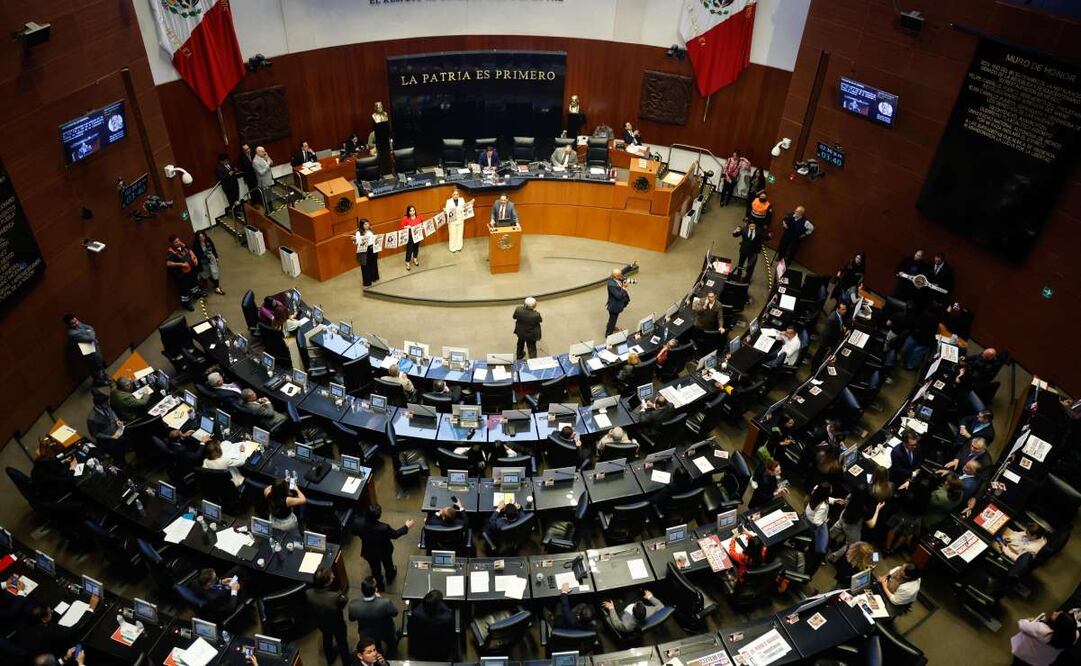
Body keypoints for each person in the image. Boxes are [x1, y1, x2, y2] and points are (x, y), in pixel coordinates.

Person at [354, 504, 415, 591]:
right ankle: (390, 578)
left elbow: (355, 533)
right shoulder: (384, 527)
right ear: (378, 516)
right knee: (388, 565)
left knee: (375, 570)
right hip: (384, 550)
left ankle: (379, 586)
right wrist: (406, 526)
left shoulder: (357, 522)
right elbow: (395, 534)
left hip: (369, 551)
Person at [306, 566, 351, 665]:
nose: (334, 576)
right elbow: (343, 601)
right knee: (342, 642)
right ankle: (346, 661)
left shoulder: (308, 593)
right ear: (326, 583)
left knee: (327, 638)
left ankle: (330, 657)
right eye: (331, 576)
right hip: (337, 623)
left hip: (321, 623)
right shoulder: (334, 597)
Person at [348, 577, 399, 657]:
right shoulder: (385, 602)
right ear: (375, 589)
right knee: (392, 644)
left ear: (362, 590)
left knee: (376, 649)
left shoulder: (353, 605)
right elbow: (395, 613)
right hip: (385, 630)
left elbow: (351, 619)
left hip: (367, 634)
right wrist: (380, 599)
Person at [1010, 610, 1078, 666]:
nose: (1054, 612)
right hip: (1039, 663)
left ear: (1058, 624)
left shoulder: (1042, 630)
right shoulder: (1070, 639)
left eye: (1056, 615)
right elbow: (1075, 633)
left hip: (1023, 656)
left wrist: (1027, 620)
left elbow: (1022, 625)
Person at [64, 313, 109, 386]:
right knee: (94, 366)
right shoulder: (72, 333)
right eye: (73, 323)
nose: (77, 323)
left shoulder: (79, 324)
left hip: (94, 346)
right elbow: (90, 338)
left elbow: (90, 327)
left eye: (76, 321)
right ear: (69, 325)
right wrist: (90, 332)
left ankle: (103, 376)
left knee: (99, 362)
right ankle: (99, 381)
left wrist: (90, 332)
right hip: (88, 352)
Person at [407, 590, 454, 660]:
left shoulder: (416, 613)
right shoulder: (446, 618)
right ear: (437, 606)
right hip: (440, 651)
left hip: (420, 649)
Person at [165, 234, 199, 311]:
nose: (178, 243)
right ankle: (186, 303)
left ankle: (196, 293)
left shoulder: (183, 246)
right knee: (185, 289)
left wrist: (194, 258)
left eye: (178, 241)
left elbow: (190, 251)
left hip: (190, 270)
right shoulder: (171, 252)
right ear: (172, 244)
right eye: (176, 242)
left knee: (194, 282)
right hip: (182, 274)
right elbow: (168, 263)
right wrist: (182, 264)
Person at [812, 302, 848, 369]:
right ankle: (813, 368)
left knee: (821, 355)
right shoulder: (832, 319)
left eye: (845, 309)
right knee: (819, 355)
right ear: (838, 309)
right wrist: (827, 345)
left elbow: (839, 323)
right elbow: (827, 334)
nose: (845, 311)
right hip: (825, 342)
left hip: (831, 339)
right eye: (843, 309)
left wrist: (842, 327)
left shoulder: (839, 315)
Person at [192, 230, 225, 296]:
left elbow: (213, 248)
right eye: (200, 237)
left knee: (215, 272)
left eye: (203, 236)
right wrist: (205, 257)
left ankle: (217, 287)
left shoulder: (208, 240)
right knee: (207, 273)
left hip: (211, 259)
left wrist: (216, 257)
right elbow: (198, 255)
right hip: (203, 262)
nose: (202, 238)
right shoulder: (196, 245)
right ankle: (214, 284)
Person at [605, 268, 631, 336]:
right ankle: (608, 334)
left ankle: (611, 326)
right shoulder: (611, 285)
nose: (622, 276)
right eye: (620, 275)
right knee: (613, 320)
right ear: (616, 277)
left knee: (612, 319)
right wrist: (624, 288)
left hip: (619, 304)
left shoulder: (616, 277)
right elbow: (618, 296)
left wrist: (630, 266)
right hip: (614, 306)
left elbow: (622, 271)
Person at [355, 218, 380, 286]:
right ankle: (367, 282)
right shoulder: (358, 232)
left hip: (372, 249)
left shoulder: (370, 230)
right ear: (362, 225)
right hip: (365, 251)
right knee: (365, 266)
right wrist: (355, 239)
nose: (367, 225)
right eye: (365, 224)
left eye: (368, 223)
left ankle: (373, 277)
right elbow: (357, 241)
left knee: (373, 263)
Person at [252, 146, 276, 211]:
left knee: (269, 196)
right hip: (263, 182)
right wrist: (268, 164)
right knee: (265, 197)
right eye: (263, 151)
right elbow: (261, 172)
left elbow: (272, 163)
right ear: (258, 152)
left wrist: (267, 158)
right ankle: (267, 210)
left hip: (269, 180)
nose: (264, 152)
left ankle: (271, 208)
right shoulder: (255, 161)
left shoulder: (264, 156)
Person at [400, 205, 423, 270]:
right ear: (408, 212)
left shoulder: (418, 216)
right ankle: (407, 262)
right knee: (409, 250)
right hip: (410, 236)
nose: (412, 212)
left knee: (416, 248)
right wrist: (406, 227)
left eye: (413, 210)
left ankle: (415, 259)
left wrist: (422, 226)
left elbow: (422, 222)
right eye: (410, 211)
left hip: (418, 235)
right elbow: (402, 227)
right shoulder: (405, 218)